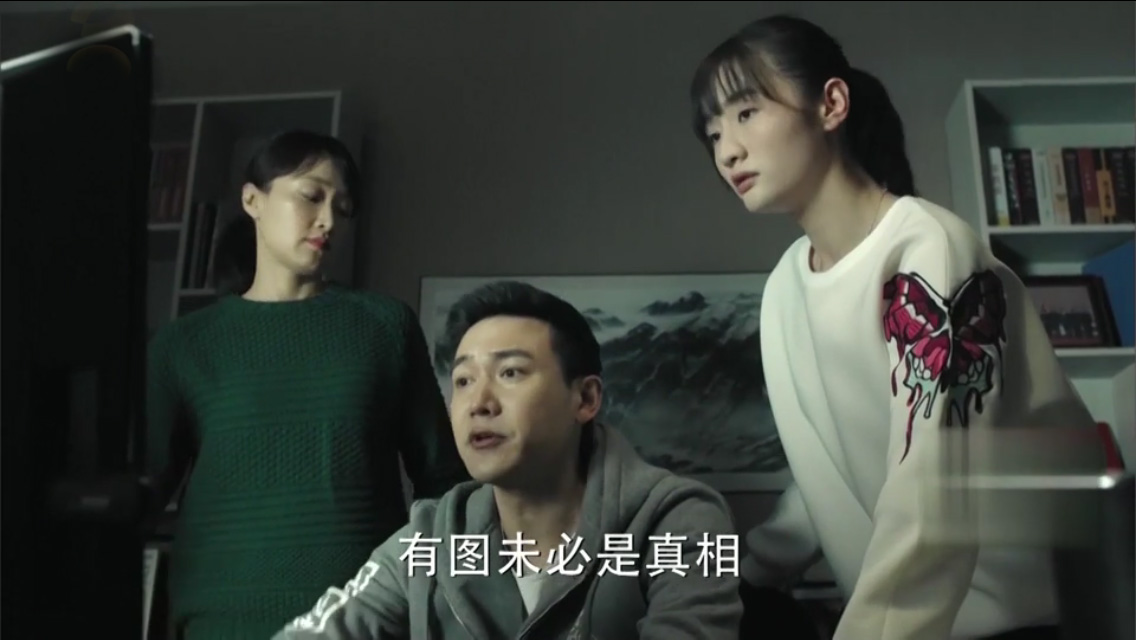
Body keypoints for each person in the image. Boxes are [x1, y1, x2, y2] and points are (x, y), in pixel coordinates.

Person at [688, 14, 1103, 640]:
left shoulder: (929, 252)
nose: (727, 152)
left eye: (746, 113)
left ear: (830, 104)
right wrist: (736, 578)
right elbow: (829, 472)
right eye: (714, 132)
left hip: (1033, 620)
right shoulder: (782, 291)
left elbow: (930, 490)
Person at [271, 281, 745, 639]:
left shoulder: (679, 522)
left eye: (511, 373)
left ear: (585, 399)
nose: (479, 403)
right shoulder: (430, 538)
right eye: (463, 381)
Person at [145, 130, 470, 639]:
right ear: (253, 200)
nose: (328, 220)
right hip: (220, 621)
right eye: (311, 196)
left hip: (363, 621)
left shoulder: (384, 326)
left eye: (343, 207)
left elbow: (444, 482)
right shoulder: (184, 345)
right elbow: (139, 494)